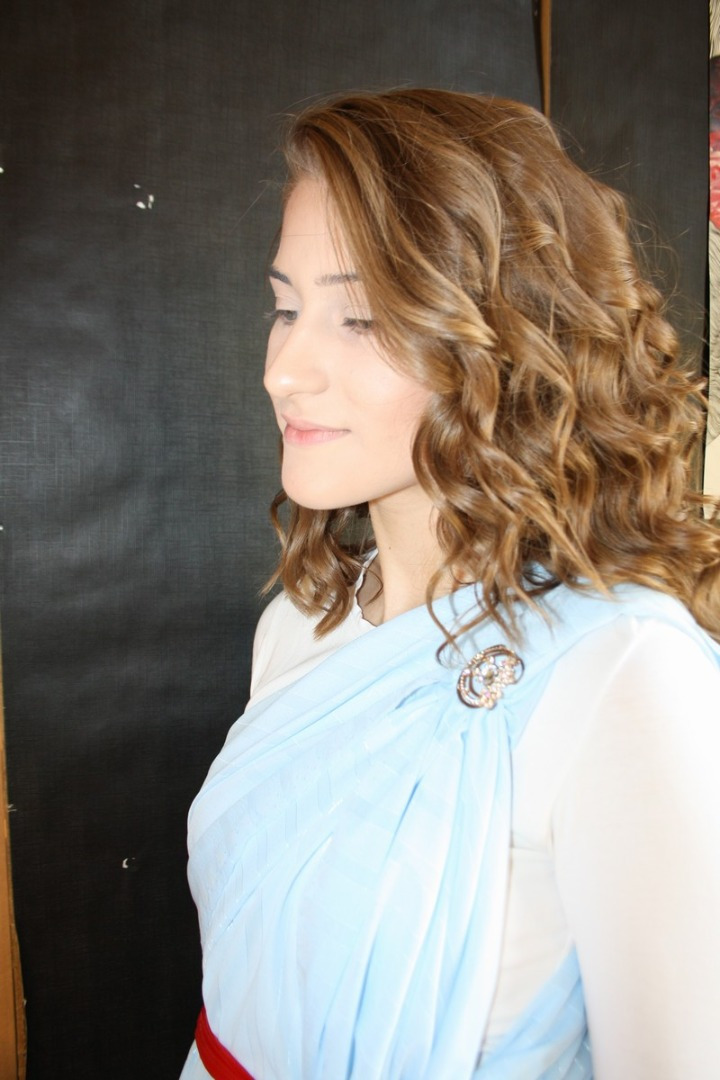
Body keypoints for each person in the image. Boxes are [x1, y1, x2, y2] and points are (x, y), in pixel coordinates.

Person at [181, 89, 720, 1080]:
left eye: (361, 318)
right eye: (286, 308)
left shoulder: (625, 679)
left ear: (506, 340)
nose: (284, 371)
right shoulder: (299, 624)